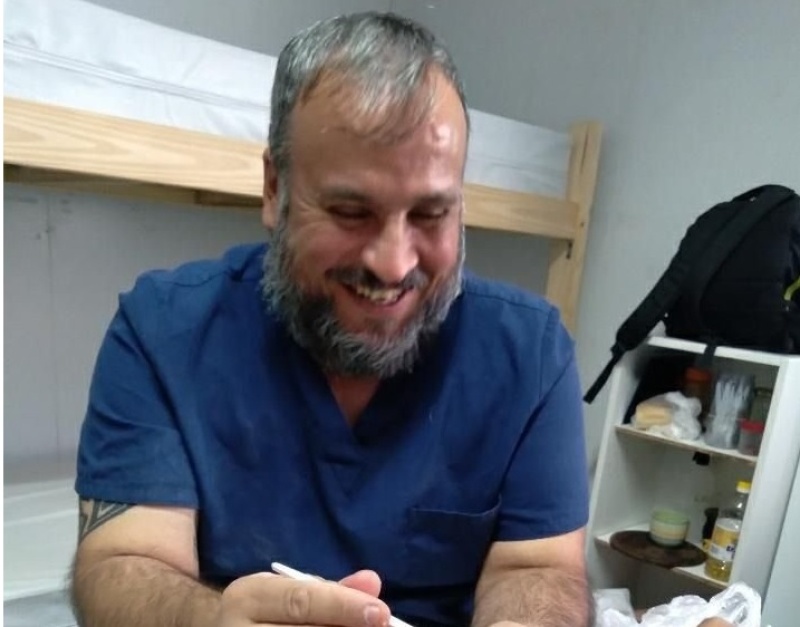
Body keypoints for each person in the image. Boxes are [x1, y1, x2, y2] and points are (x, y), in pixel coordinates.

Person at [70, 11, 592, 627]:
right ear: (275, 189)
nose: (394, 265)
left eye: (431, 214)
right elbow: (123, 563)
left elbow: (539, 568)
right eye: (350, 212)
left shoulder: (531, 355)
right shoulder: (162, 332)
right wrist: (210, 621)